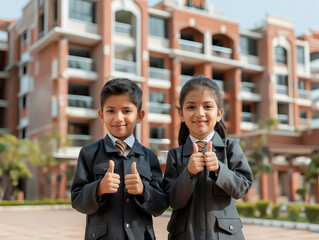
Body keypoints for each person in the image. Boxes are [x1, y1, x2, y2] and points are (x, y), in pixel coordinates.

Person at [71, 78, 168, 240]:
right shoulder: (89, 153)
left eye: (126, 111)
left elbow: (161, 205)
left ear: (140, 115)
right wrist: (99, 188)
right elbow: (77, 201)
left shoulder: (149, 156)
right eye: (111, 111)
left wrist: (143, 190)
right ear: (101, 115)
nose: (118, 118)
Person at [163, 75, 253, 240]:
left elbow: (242, 188)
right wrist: (188, 174)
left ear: (219, 114)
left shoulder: (231, 148)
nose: (199, 113)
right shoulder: (175, 155)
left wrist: (220, 169)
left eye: (207, 106)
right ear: (181, 114)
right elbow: (173, 201)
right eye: (191, 107)